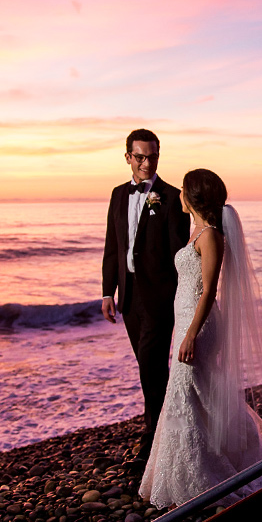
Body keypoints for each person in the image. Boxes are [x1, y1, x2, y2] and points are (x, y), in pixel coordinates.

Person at [139, 169, 262, 510]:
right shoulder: (198, 232)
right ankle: (188, 469)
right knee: (195, 391)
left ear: (193, 197)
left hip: (199, 326)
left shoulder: (210, 237)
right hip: (188, 321)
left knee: (187, 390)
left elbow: (208, 290)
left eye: (183, 190)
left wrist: (190, 334)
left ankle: (207, 472)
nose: (178, 195)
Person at [102, 129, 191, 461]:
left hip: (159, 296)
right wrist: (107, 292)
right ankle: (171, 425)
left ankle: (152, 438)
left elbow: (178, 253)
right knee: (149, 366)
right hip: (128, 296)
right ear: (128, 157)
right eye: (139, 156)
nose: (146, 163)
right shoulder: (117, 195)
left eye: (152, 156)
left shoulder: (171, 196)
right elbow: (113, 245)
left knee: (151, 366)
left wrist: (181, 298)